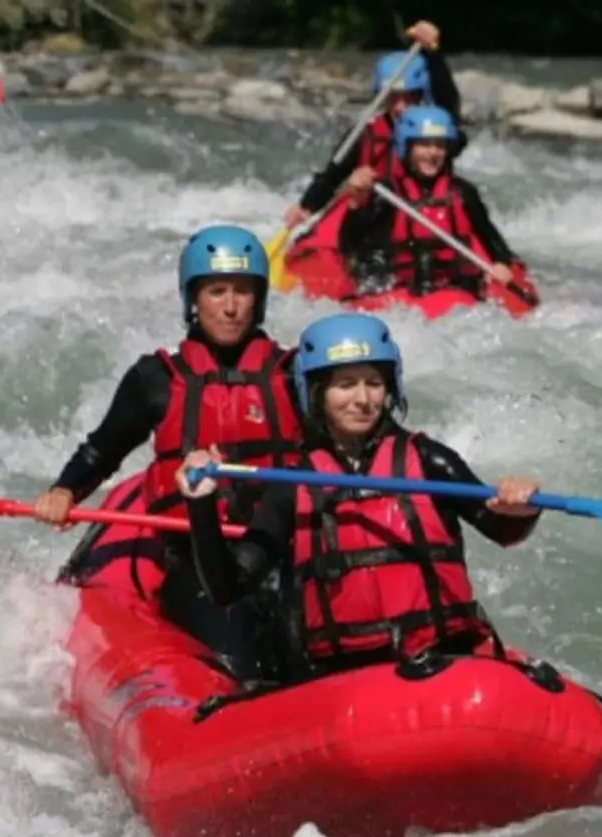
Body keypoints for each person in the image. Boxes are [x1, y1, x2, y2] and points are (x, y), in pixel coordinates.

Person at [176, 312, 543, 680]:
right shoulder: (293, 484)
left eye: (374, 383)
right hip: (347, 678)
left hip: (445, 661)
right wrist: (201, 505)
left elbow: (502, 531)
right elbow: (228, 587)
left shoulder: (428, 460)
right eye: (346, 384)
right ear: (317, 393)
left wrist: (521, 509)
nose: (363, 399)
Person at [33, 223, 304, 681]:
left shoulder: (294, 373)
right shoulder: (156, 378)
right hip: (198, 558)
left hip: (280, 549)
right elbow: (104, 448)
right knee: (240, 668)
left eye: (243, 291)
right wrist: (65, 490)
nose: (232, 306)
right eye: (217, 291)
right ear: (192, 300)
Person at [281, 20, 467, 231]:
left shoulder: (438, 130)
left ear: (422, 94)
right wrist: (306, 206)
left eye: (409, 98)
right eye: (392, 98)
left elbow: (449, 103)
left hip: (430, 219)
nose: (400, 107)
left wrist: (433, 55)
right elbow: (333, 173)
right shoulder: (366, 131)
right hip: (380, 223)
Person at [338, 104, 527, 301]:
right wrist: (357, 202)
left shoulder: (462, 193)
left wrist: (501, 263)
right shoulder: (387, 194)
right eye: (424, 145)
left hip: (454, 293)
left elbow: (494, 243)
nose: (433, 153)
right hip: (399, 294)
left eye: (439, 146)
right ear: (407, 147)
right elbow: (348, 245)